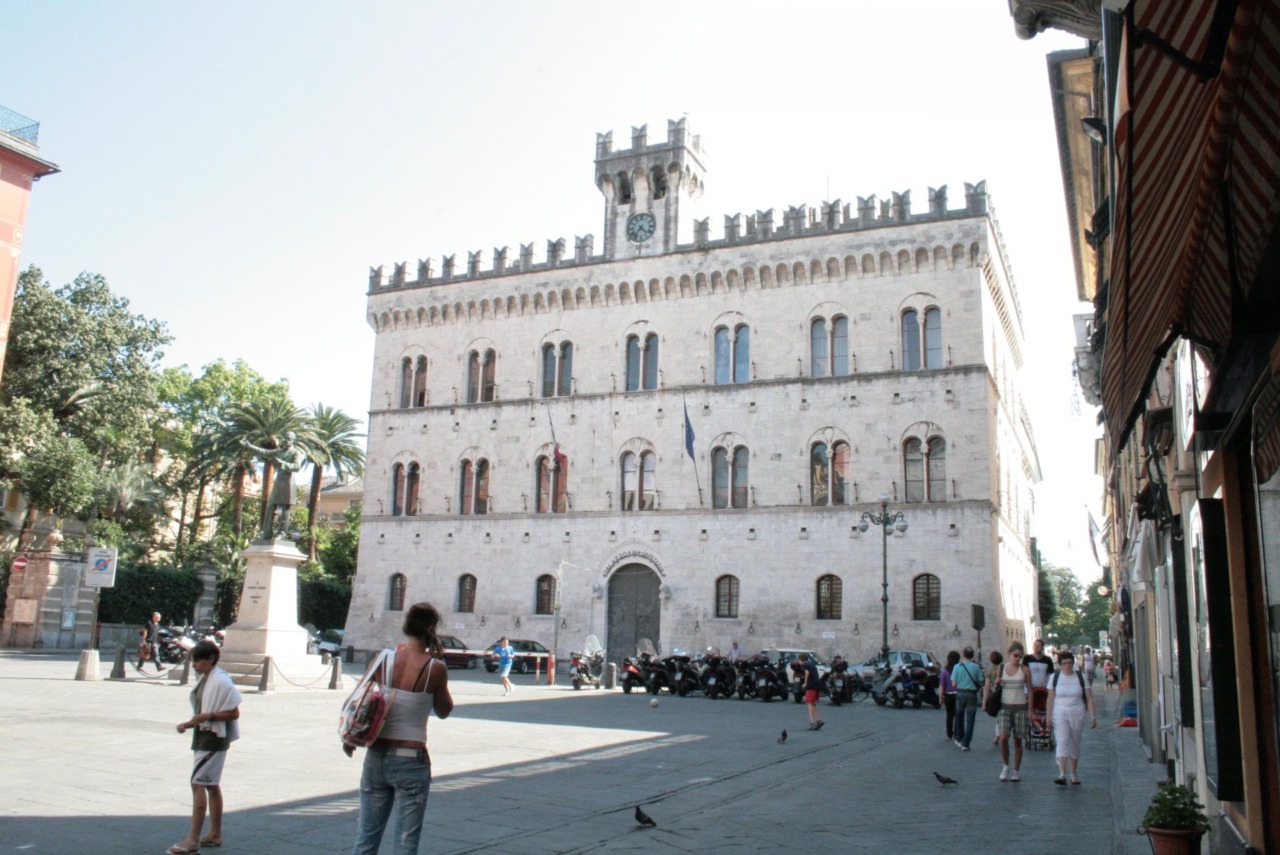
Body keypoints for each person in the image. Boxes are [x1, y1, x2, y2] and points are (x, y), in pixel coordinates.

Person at [348, 602, 453, 855]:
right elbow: (444, 710)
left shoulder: (382, 659)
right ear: (430, 629)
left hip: (376, 756)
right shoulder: (434, 668)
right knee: (406, 842)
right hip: (410, 759)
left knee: (366, 839)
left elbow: (359, 699)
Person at [168, 640, 242, 855]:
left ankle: (193, 839)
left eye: (198, 661)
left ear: (210, 659)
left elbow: (234, 712)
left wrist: (208, 717)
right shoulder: (206, 679)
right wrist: (190, 723)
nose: (195, 665)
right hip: (204, 734)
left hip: (213, 739)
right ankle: (215, 833)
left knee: (198, 783)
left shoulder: (221, 681)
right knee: (210, 785)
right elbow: (205, 709)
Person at [1046, 649, 1096, 785]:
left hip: (1077, 712)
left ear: (1073, 663)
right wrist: (1048, 716)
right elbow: (1050, 698)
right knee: (1062, 741)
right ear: (1060, 665)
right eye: (1064, 663)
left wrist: (1092, 716)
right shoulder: (1054, 678)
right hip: (1059, 712)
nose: (1067, 666)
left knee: (1074, 742)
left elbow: (1089, 698)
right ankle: (1062, 774)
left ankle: (1073, 773)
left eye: (1069, 663)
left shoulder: (1081, 677)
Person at [988, 642, 1032, 782]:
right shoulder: (1002, 668)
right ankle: (1006, 765)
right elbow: (995, 687)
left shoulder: (1025, 670)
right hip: (1004, 706)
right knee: (1003, 737)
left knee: (1018, 740)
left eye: (1020, 656)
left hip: (1020, 707)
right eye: (1015, 655)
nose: (1018, 658)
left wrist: (1030, 710)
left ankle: (1016, 771)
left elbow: (1030, 691)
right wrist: (997, 683)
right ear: (1009, 654)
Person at [951, 646, 984, 751]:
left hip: (960, 693)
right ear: (972, 655)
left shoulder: (957, 667)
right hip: (971, 694)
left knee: (959, 717)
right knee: (970, 719)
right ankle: (966, 743)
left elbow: (954, 684)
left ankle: (959, 738)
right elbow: (981, 682)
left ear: (963, 655)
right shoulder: (976, 667)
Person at [798, 652, 823, 731]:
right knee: (812, 703)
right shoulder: (811, 664)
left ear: (800, 660)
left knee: (809, 703)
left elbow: (807, 672)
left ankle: (813, 722)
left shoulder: (804, 665)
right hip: (817, 684)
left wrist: (805, 683)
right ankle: (818, 720)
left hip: (811, 685)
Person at [940, 650, 960, 741]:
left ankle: (949, 732)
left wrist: (940, 697)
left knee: (949, 714)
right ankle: (957, 731)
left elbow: (942, 685)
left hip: (948, 695)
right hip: (958, 694)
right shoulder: (959, 669)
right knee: (958, 714)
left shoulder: (944, 671)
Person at [985, 650, 1004, 744]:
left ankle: (998, 735)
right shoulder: (1004, 668)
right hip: (1003, 694)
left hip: (994, 694)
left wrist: (985, 701)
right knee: (1001, 715)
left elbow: (987, 686)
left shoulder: (989, 670)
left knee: (998, 716)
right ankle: (1000, 734)